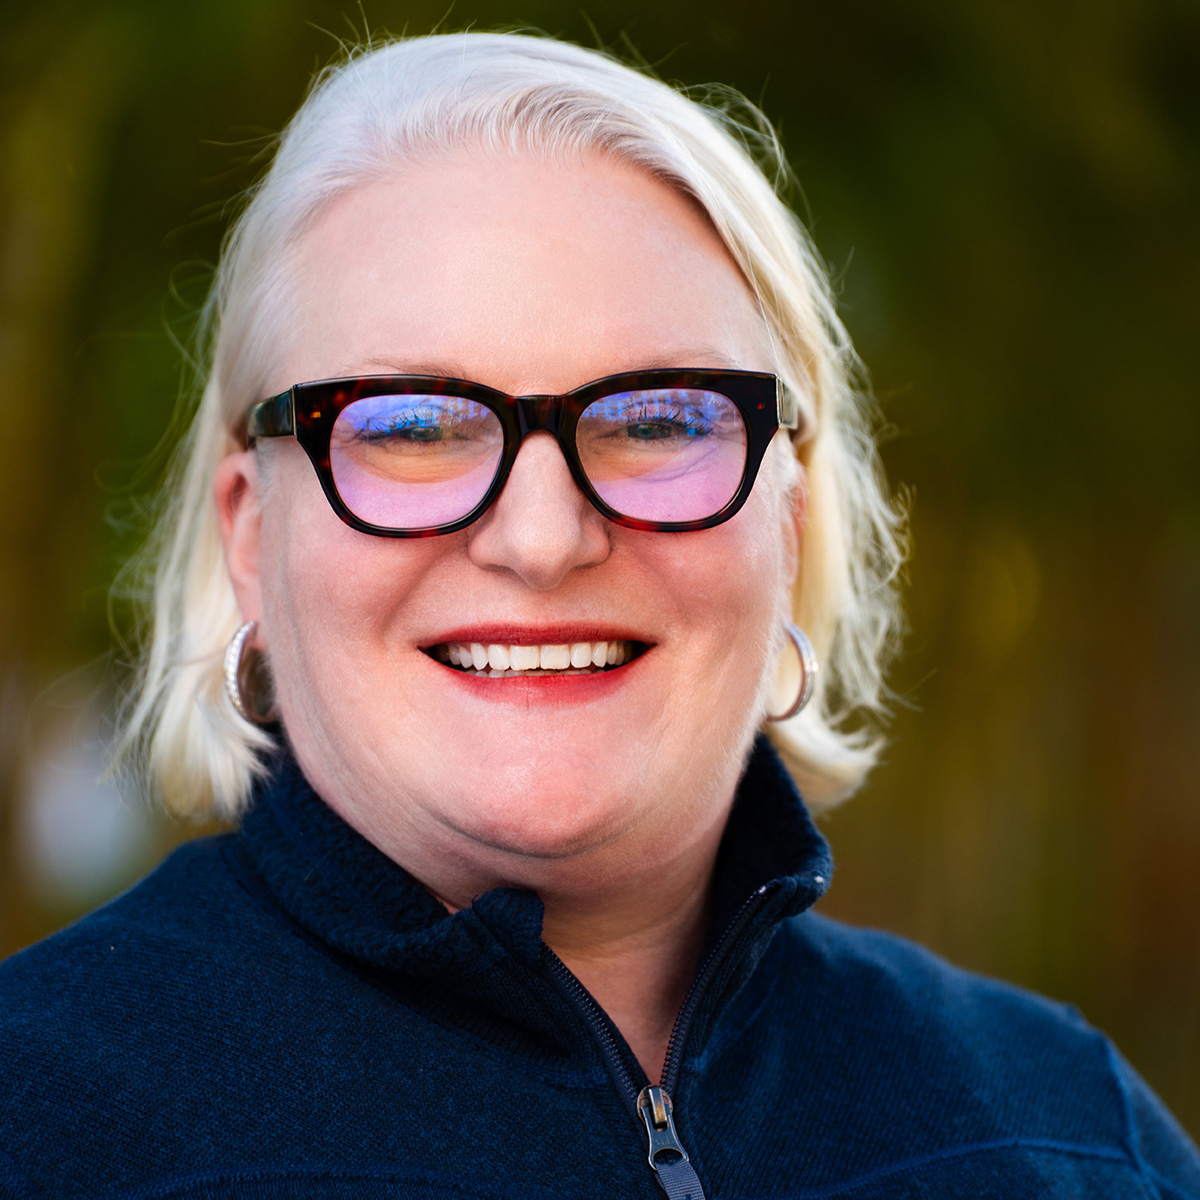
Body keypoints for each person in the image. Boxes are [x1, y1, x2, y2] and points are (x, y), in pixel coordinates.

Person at [1, 31, 1197, 1200]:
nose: (541, 539)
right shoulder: (38, 1121)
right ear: (250, 534)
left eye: (659, 419)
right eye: (412, 427)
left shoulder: (1071, 1132)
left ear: (787, 525)